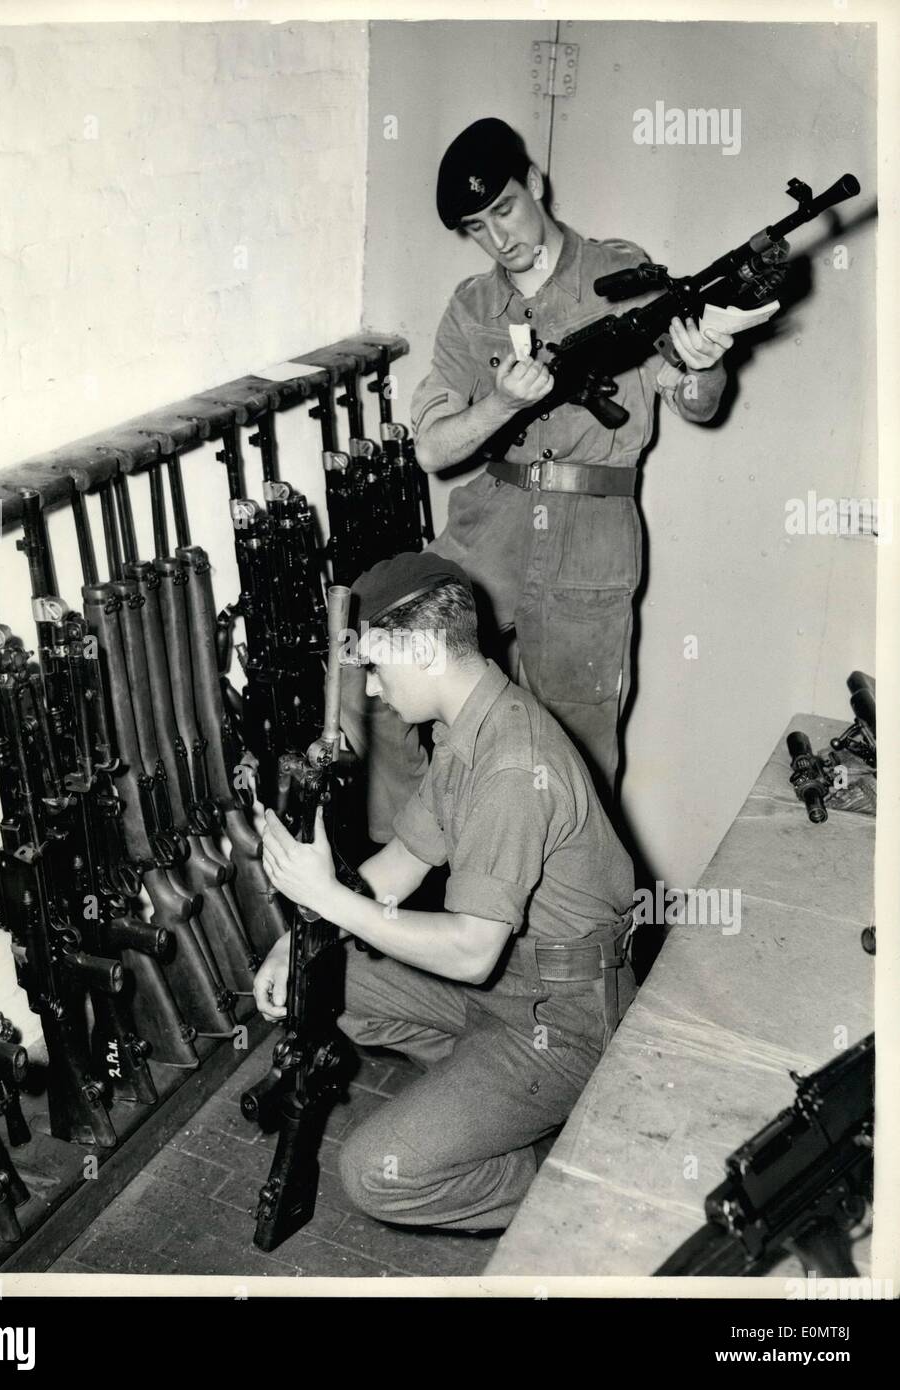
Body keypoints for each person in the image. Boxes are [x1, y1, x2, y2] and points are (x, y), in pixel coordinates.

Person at [341, 116, 734, 833]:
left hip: (591, 524)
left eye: (505, 210)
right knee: (368, 656)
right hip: (494, 517)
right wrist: (500, 403)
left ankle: (562, 933)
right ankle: (408, 869)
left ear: (536, 185)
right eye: (476, 227)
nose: (499, 239)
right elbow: (432, 449)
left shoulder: (620, 277)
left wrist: (701, 365)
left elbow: (697, 404)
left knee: (576, 750)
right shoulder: (471, 307)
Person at [255, 552, 637, 1232]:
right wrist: (300, 937)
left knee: (376, 1173)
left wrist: (332, 899)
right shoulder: (466, 726)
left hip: (563, 1020)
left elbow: (469, 953)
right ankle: (483, 1092)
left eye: (376, 666)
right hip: (502, 992)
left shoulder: (513, 766)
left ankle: (572, 1181)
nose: (370, 689)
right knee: (318, 985)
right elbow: (402, 861)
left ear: (426, 651)